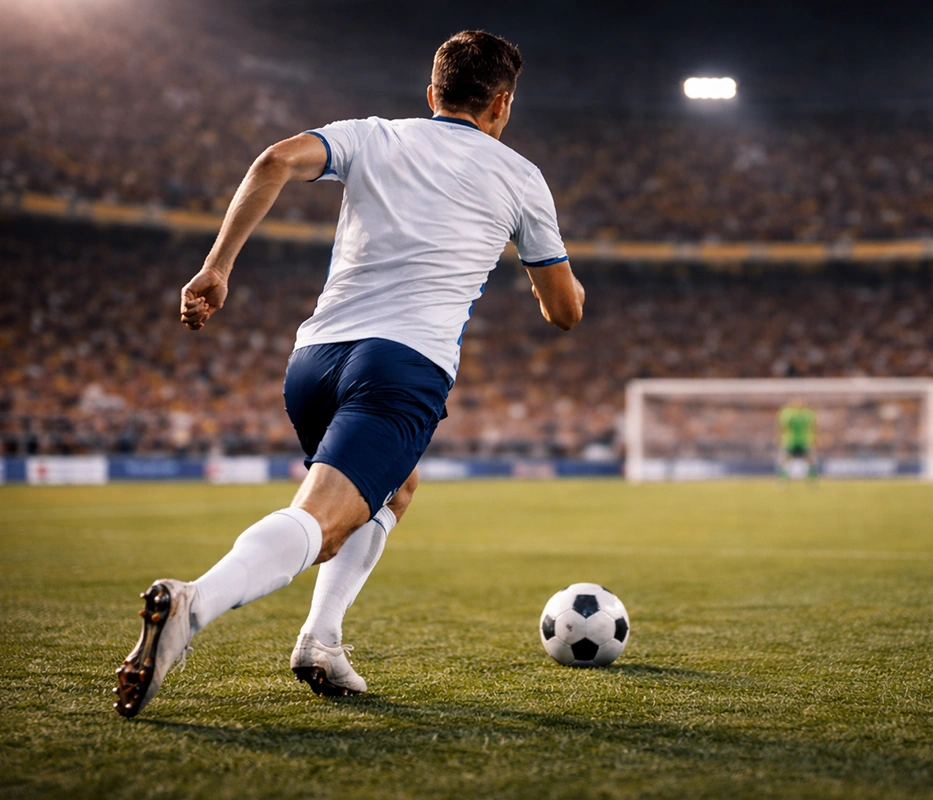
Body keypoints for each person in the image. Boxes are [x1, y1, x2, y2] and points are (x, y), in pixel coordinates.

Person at [113, 30, 585, 718]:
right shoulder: (520, 177)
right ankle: (194, 603)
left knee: (394, 489)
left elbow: (274, 160)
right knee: (323, 520)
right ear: (502, 105)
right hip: (401, 366)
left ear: (432, 94)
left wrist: (216, 266)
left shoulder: (371, 135)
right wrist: (565, 290)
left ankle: (321, 641)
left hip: (314, 362)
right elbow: (564, 311)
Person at [777, 403, 817, 480]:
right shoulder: (788, 413)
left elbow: (813, 426)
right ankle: (782, 478)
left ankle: (812, 477)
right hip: (791, 441)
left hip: (803, 440)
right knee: (784, 459)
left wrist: (813, 438)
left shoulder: (807, 413)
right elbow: (782, 426)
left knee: (810, 459)